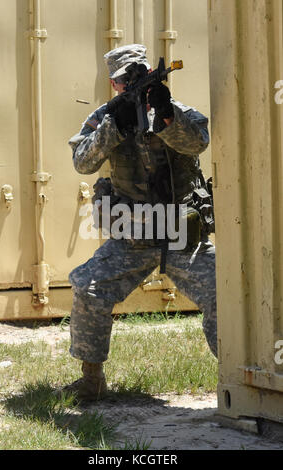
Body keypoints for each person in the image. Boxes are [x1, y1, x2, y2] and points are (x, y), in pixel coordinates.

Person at [63, 44, 217, 401]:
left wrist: (165, 116)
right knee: (88, 287)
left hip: (182, 234)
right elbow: (82, 162)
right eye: (121, 80)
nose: (126, 85)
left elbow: (199, 143)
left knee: (223, 295)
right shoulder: (107, 115)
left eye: (133, 76)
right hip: (133, 236)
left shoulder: (174, 110)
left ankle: (235, 378)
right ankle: (91, 381)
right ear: (114, 84)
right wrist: (113, 128)